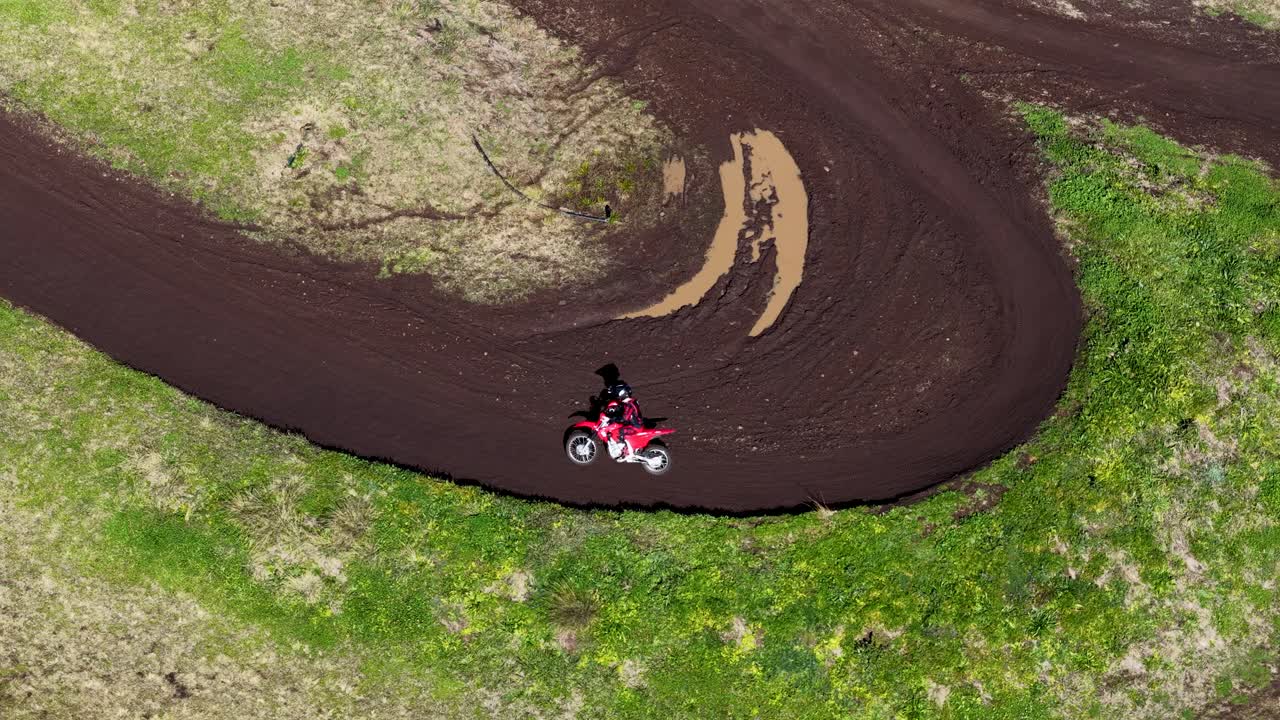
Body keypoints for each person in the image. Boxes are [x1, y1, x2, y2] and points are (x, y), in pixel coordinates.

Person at [600, 382, 644, 456]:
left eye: (618, 394)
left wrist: (611, 419)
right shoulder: (631, 402)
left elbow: (624, 418)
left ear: (622, 394)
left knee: (618, 431)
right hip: (635, 424)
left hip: (635, 427)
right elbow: (623, 412)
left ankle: (626, 450)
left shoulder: (629, 404)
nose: (617, 396)